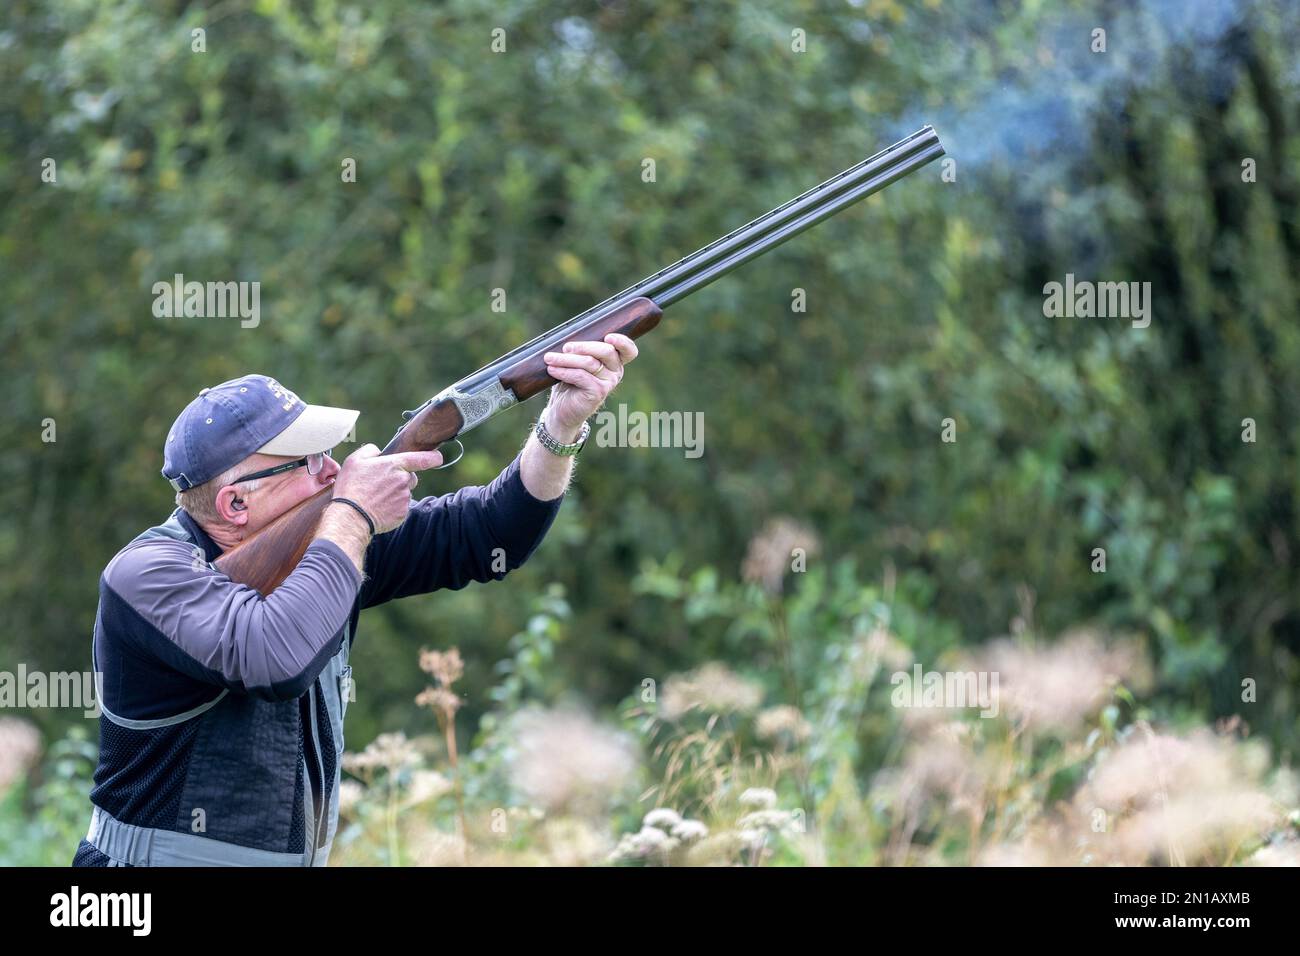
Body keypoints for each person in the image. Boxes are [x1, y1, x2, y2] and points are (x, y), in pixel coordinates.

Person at [71, 334, 638, 866]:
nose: (336, 469)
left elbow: (490, 535)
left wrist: (559, 425)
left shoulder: (327, 541)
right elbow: (274, 656)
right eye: (310, 461)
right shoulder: (146, 576)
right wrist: (353, 515)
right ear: (235, 505)